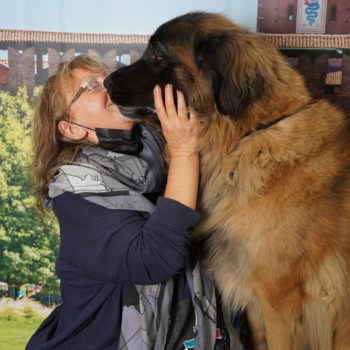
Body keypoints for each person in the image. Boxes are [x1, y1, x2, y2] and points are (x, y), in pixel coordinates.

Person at [26, 54, 235, 350]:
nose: (108, 85)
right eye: (91, 85)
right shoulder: (73, 193)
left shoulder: (159, 153)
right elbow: (154, 257)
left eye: (107, 77)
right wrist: (184, 151)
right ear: (73, 129)